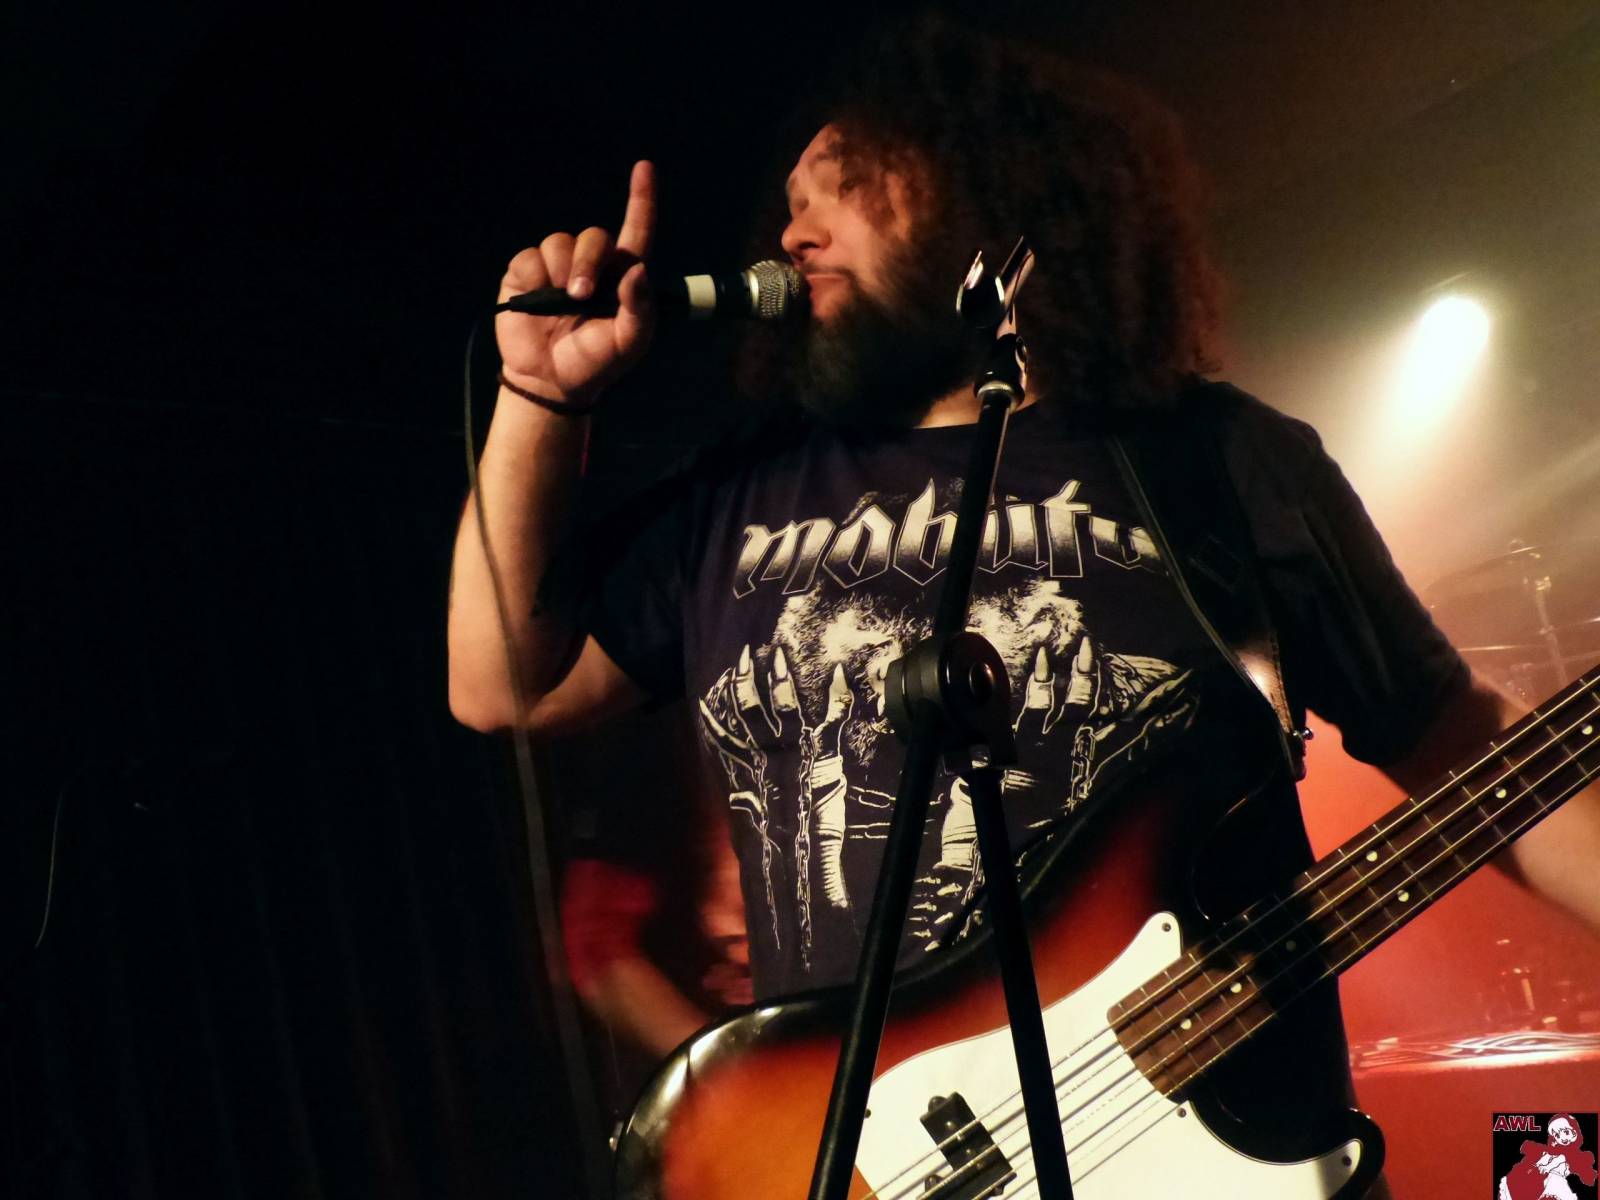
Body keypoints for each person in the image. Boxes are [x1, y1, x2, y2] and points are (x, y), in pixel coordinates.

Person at [447, 14, 1600, 1196]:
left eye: (842, 186)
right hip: (888, 1165)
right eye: (788, 204)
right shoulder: (741, 495)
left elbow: (1459, 741)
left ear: (991, 194)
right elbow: (501, 686)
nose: (793, 232)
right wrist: (539, 399)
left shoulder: (1221, 461)